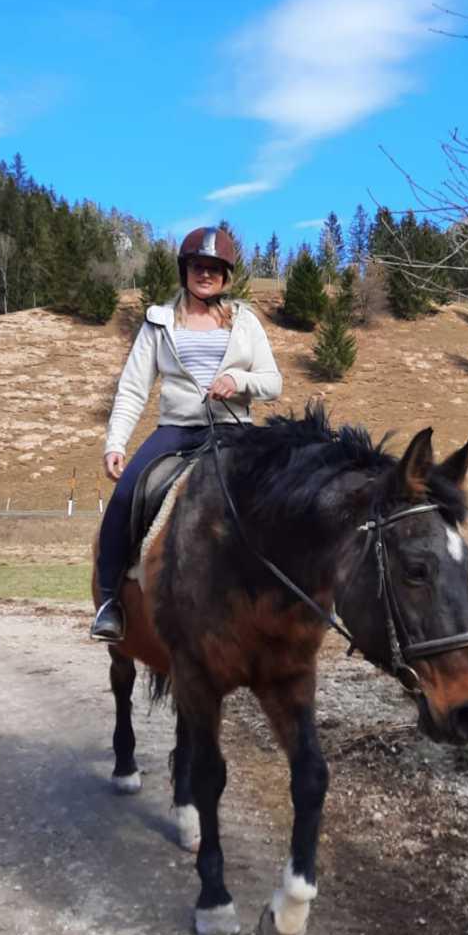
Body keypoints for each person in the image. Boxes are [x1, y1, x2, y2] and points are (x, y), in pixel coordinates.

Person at [91, 225, 283, 640]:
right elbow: (132, 387)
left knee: (282, 495)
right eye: (199, 266)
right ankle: (110, 601)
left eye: (215, 267)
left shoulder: (245, 322)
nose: (206, 274)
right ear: (185, 270)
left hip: (235, 430)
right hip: (176, 430)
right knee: (127, 494)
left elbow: (273, 382)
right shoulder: (158, 322)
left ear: (226, 275)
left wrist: (239, 380)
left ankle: (286, 598)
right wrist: (115, 443)